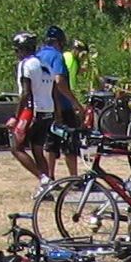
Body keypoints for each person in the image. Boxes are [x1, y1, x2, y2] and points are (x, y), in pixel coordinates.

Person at [36, 27, 86, 178]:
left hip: (44, 106)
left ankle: (49, 177)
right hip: (62, 106)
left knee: (50, 145)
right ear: (60, 41)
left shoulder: (38, 56)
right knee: (70, 143)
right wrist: (76, 103)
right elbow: (59, 82)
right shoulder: (57, 56)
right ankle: (74, 178)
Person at [9, 32, 58, 185]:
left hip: (32, 110)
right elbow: (54, 91)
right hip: (48, 109)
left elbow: (25, 92)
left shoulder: (26, 64)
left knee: (16, 147)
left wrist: (16, 117)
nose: (16, 54)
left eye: (17, 50)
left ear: (23, 49)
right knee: (37, 149)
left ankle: (43, 179)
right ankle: (47, 185)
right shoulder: (46, 65)